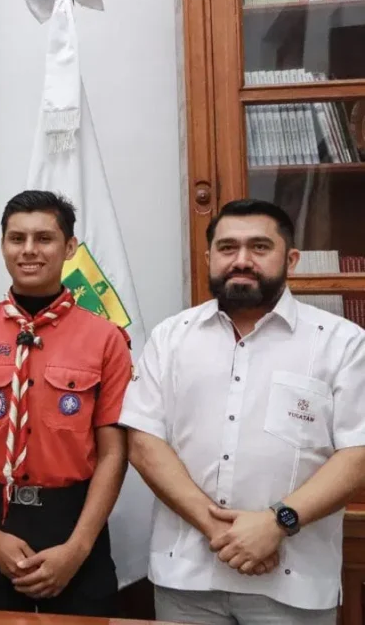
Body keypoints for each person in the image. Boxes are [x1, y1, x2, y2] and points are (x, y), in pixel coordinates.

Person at [120, 199, 365, 625]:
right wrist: (218, 530)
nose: (242, 260)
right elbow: (144, 443)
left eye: (259, 247)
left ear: (291, 259)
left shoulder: (342, 343)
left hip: (294, 583)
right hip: (187, 579)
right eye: (227, 247)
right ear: (209, 257)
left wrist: (277, 523)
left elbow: (357, 453)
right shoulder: (171, 337)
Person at [0, 190, 132, 616]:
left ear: (69, 247)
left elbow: (114, 452)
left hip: (73, 520)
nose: (28, 250)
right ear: (3, 245)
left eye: (44, 238)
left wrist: (77, 548)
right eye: (16, 238)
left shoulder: (107, 340)